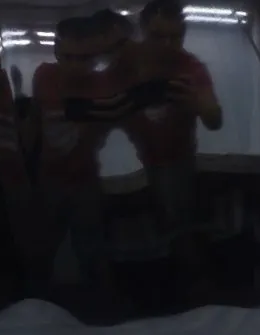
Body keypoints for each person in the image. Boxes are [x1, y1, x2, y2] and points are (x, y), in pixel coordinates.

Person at [121, 0, 222, 294]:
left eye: (175, 37)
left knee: (179, 229)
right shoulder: (126, 65)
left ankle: (189, 288)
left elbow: (215, 119)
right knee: (147, 235)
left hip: (177, 162)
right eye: (157, 36)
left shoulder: (190, 68)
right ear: (143, 32)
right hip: (131, 164)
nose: (167, 45)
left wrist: (197, 103)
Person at [30, 16, 120, 300]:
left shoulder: (104, 86)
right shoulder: (44, 76)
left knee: (92, 250)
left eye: (83, 58)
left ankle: (101, 307)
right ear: (57, 52)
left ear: (94, 57)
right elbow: (34, 123)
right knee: (42, 248)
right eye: (68, 57)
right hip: (49, 179)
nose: (74, 65)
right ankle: (36, 305)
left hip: (84, 180)